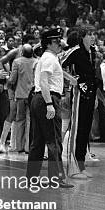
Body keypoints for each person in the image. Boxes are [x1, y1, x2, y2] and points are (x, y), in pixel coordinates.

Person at [26, 28, 74, 189]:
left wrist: (70, 78)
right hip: (47, 97)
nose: (59, 43)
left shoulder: (48, 58)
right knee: (54, 140)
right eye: (55, 41)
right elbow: (44, 81)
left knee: (38, 141)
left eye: (59, 40)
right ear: (48, 44)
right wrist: (49, 104)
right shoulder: (49, 59)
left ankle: (31, 178)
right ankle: (57, 178)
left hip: (39, 98)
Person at [61, 25, 98, 179]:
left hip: (91, 93)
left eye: (93, 34)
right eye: (89, 34)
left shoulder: (93, 52)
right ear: (82, 36)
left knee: (85, 131)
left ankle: (81, 166)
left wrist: (95, 96)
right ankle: (72, 167)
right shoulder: (75, 50)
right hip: (78, 94)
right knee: (76, 131)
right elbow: (58, 63)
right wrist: (70, 79)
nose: (92, 37)